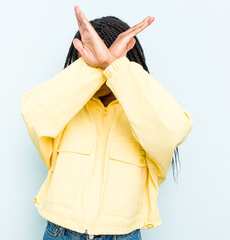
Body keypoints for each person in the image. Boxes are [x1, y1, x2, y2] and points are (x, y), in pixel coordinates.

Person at [20, 5, 193, 240]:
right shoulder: (65, 108)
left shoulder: (146, 110)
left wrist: (113, 67)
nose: (100, 70)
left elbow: (174, 129)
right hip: (60, 232)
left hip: (121, 235)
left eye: (106, 62)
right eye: (90, 63)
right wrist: (96, 65)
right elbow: (33, 112)